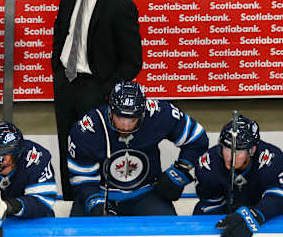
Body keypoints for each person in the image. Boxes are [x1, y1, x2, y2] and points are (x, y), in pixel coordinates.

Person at [52, 0, 142, 200]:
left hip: (95, 87)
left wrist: (105, 91)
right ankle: (70, 202)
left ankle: (97, 203)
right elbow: (62, 26)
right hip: (66, 80)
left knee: (94, 147)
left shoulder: (120, 3)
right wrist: (57, 65)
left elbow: (133, 61)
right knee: (65, 144)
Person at [67, 81, 208, 216]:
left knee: (168, 232)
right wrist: (95, 203)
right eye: (120, 118)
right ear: (111, 110)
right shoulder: (88, 127)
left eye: (132, 120)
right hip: (101, 193)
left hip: (146, 193)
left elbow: (197, 138)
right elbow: (82, 174)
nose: (126, 126)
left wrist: (179, 173)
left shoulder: (158, 113)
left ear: (142, 112)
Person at [194, 115, 283, 237]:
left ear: (252, 150)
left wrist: (253, 216)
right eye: (227, 148)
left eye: (239, 151)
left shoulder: (273, 160)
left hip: (266, 215)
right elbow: (210, 206)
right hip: (225, 214)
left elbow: (281, 198)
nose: (231, 157)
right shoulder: (208, 164)